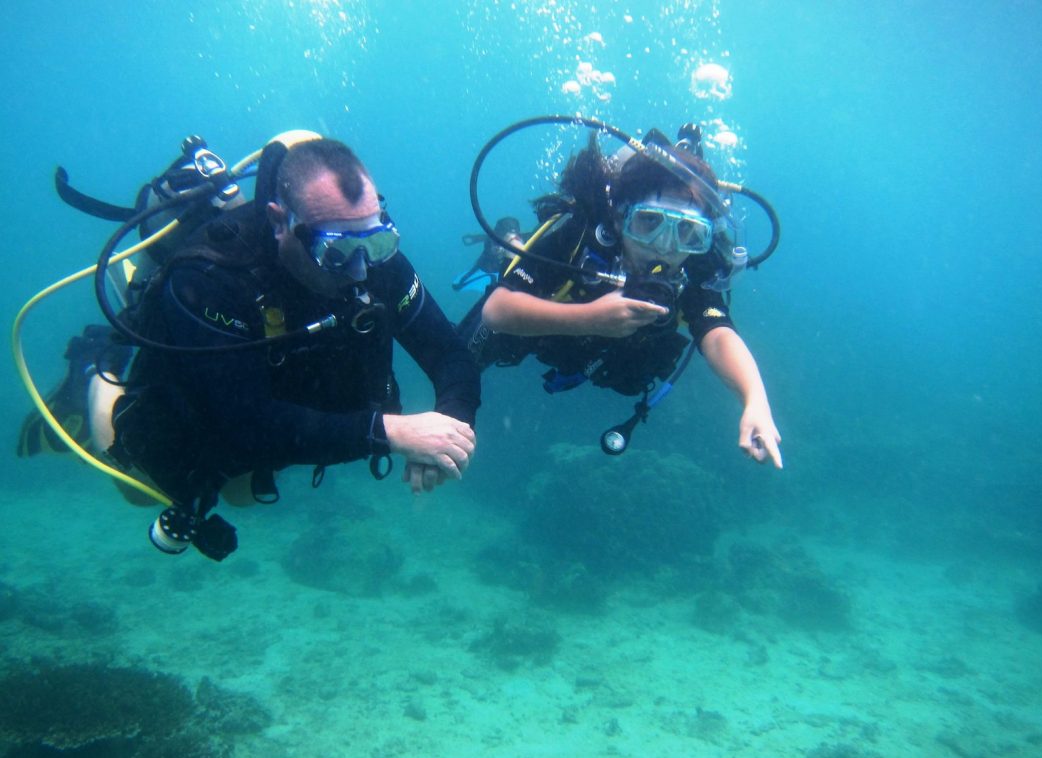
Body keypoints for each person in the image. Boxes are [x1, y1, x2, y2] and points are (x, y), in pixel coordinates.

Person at [19, 135, 481, 560]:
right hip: (213, 407)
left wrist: (450, 429)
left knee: (244, 496)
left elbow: (450, 353)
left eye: (378, 241)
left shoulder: (373, 256)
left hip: (282, 405)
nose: (361, 271)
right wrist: (395, 433)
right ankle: (96, 367)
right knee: (139, 486)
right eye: (336, 252)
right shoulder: (210, 279)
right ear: (281, 222)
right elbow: (245, 423)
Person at [460, 129, 782, 468]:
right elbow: (496, 311)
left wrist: (755, 399)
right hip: (538, 318)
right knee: (465, 350)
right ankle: (506, 238)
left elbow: (718, 334)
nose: (666, 246)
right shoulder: (580, 234)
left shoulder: (696, 265)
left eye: (688, 232)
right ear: (619, 217)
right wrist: (591, 318)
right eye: (648, 223)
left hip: (595, 354)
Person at [453, 216, 524, 292]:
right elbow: (457, 285)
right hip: (487, 269)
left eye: (513, 242)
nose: (502, 249)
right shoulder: (490, 246)